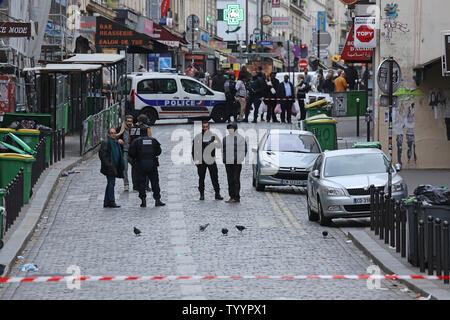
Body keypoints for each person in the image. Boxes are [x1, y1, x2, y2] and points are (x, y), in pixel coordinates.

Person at [128, 133, 166, 208]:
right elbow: (159, 152)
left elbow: (131, 153)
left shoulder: (136, 141)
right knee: (155, 182)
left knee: (141, 182)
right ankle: (157, 200)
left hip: (140, 164)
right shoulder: (153, 140)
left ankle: (143, 201)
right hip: (152, 164)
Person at [192, 122, 223, 201]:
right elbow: (194, 149)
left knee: (215, 177)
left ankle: (217, 193)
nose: (205, 128)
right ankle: (201, 194)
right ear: (202, 127)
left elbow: (219, 146)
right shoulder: (198, 137)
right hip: (201, 161)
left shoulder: (213, 136)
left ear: (209, 127)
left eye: (207, 127)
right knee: (201, 178)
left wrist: (216, 143)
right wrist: (195, 160)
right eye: (204, 127)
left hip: (211, 160)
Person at [99, 128, 125, 208]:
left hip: (115, 166)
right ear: (108, 134)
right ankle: (111, 201)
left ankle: (106, 202)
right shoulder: (106, 142)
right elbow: (102, 156)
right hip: (110, 167)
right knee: (111, 183)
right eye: (111, 133)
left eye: (114, 133)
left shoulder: (115, 142)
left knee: (110, 184)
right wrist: (108, 165)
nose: (113, 134)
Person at [222, 122, 248, 203]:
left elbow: (244, 150)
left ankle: (236, 197)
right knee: (230, 180)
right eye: (229, 128)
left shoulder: (240, 139)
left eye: (232, 128)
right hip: (228, 162)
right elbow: (223, 150)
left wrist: (239, 159)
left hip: (237, 162)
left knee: (235, 179)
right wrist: (224, 159)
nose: (231, 130)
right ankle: (231, 196)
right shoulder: (225, 139)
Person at [129, 114, 153, 191]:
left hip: (134, 152)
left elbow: (129, 140)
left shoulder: (132, 128)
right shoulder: (146, 128)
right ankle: (146, 186)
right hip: (144, 151)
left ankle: (135, 186)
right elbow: (150, 139)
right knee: (146, 168)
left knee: (135, 170)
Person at [116, 115, 134, 192]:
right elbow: (113, 138)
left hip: (133, 152)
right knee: (125, 169)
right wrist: (118, 141)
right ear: (125, 121)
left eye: (131, 121)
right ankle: (126, 184)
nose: (129, 123)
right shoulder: (120, 129)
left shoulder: (135, 129)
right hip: (124, 152)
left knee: (136, 169)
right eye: (128, 121)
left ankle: (136, 184)